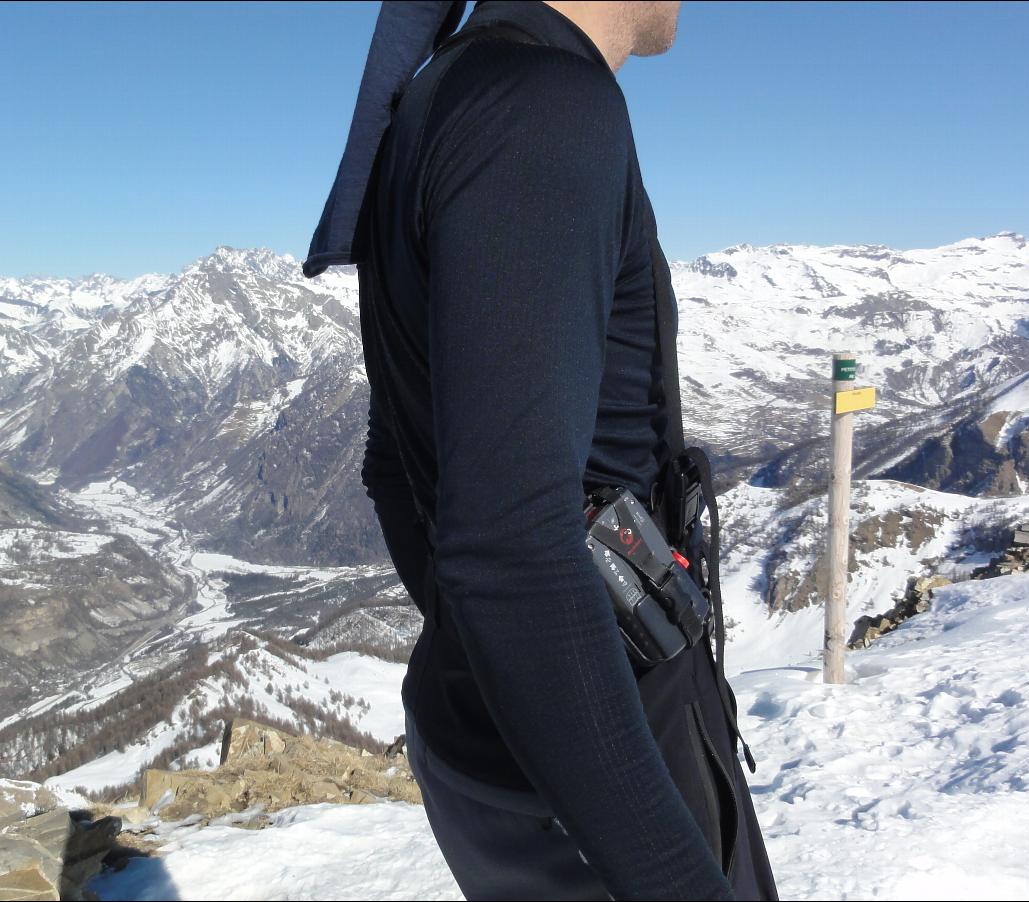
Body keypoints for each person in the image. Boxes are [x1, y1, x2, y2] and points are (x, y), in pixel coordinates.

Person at [306, 2, 778, 899]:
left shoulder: (438, 98)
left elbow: (394, 466)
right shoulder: (542, 108)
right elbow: (512, 550)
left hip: (506, 753)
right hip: (603, 757)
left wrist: (482, 662)